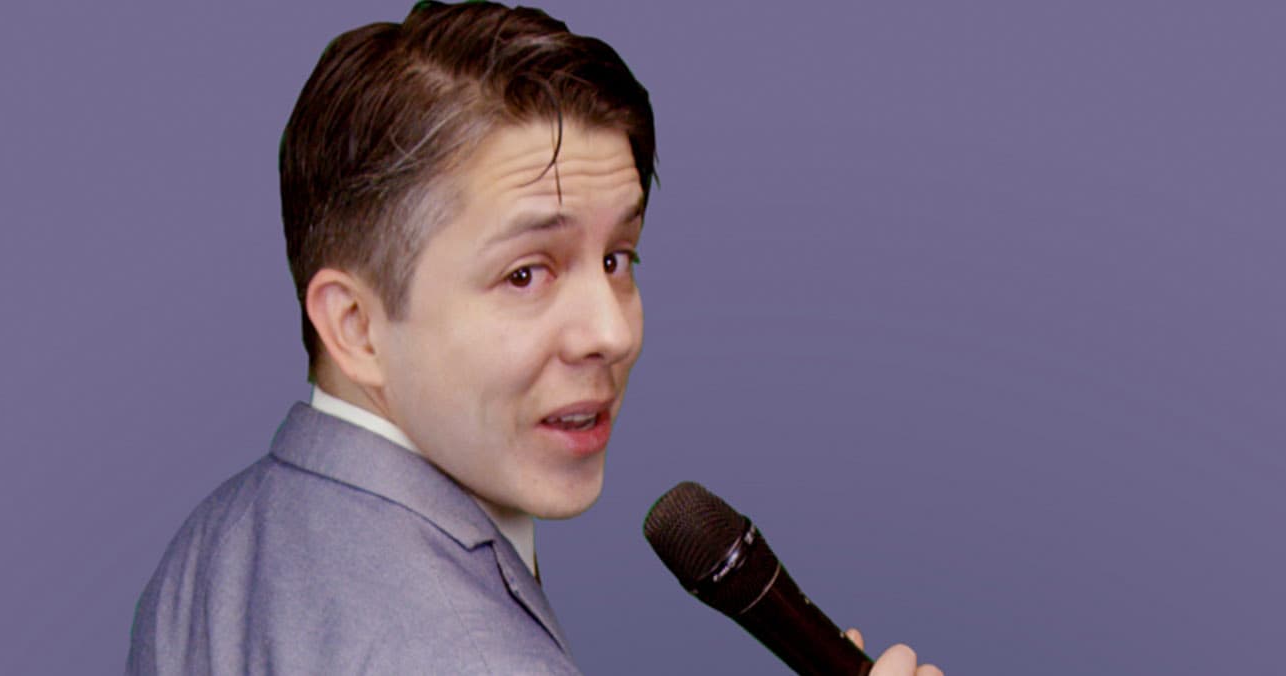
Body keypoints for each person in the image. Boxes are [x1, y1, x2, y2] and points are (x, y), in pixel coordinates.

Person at [128, 3, 941, 674]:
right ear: (355, 325)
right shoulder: (475, 656)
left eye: (618, 258)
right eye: (526, 273)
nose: (612, 332)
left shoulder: (209, 556)